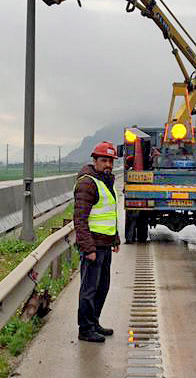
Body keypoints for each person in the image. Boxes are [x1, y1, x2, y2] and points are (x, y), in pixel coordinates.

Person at [74, 141, 121, 343]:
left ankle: (94, 322)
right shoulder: (88, 182)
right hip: (93, 246)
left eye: (110, 160)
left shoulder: (105, 181)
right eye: (104, 160)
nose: (108, 164)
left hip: (105, 244)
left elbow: (109, 212)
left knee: (102, 287)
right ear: (95, 160)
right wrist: (88, 248)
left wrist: (115, 238)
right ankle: (85, 329)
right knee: (89, 289)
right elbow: (80, 219)